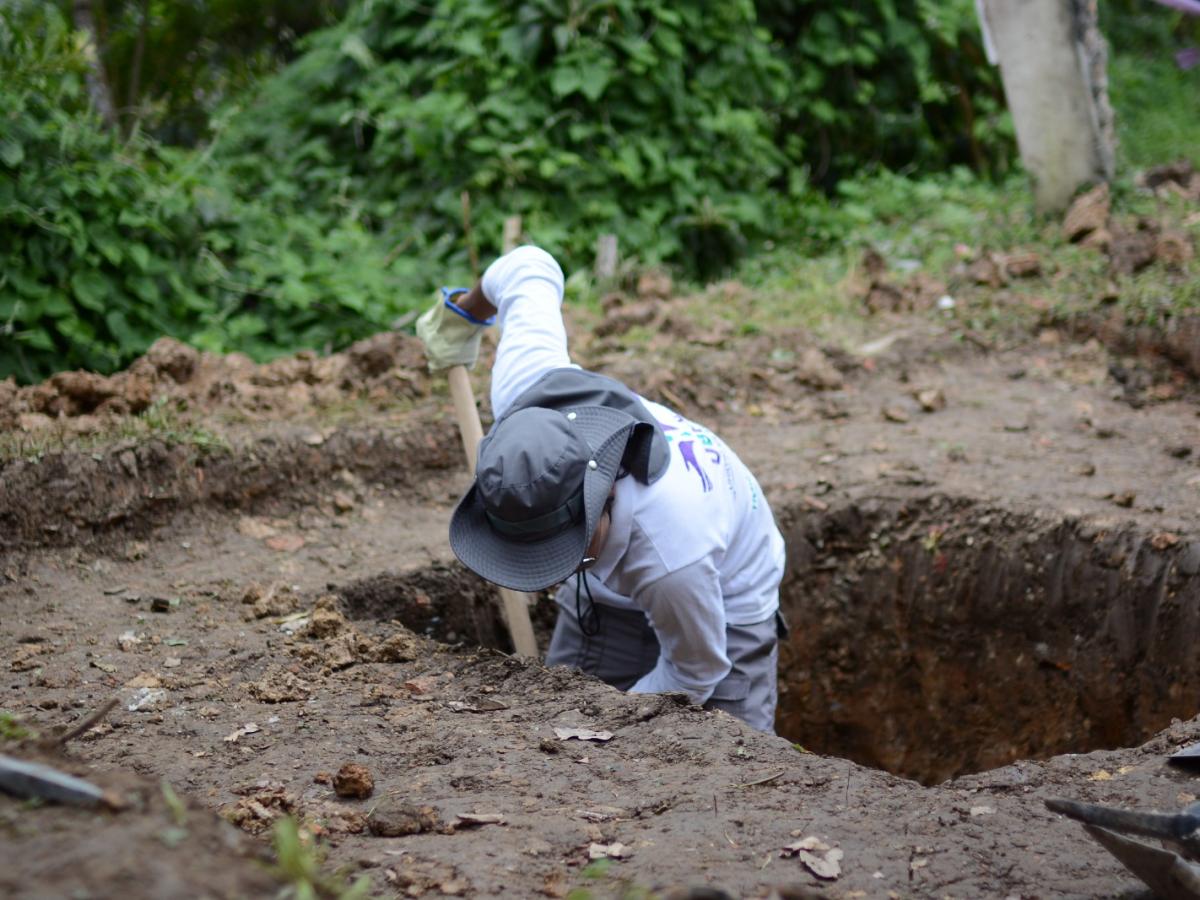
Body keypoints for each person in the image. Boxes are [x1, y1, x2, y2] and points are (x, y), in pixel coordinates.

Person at [416, 246, 786, 732]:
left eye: (558, 552)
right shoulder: (527, 392)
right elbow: (528, 266)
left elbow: (697, 673)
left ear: (602, 498)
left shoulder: (674, 555)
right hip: (619, 586)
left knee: (731, 773)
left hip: (724, 605)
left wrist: (606, 729)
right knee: (557, 721)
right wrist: (468, 310)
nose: (545, 576)